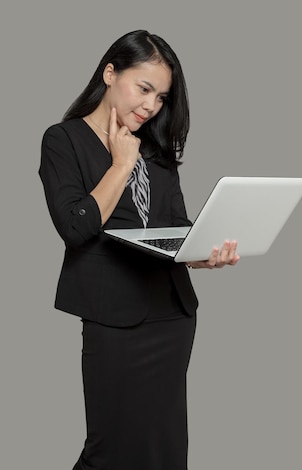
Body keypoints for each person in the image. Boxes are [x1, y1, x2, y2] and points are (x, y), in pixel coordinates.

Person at [39, 30, 239, 470]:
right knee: (110, 452)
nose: (151, 106)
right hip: (114, 317)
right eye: (144, 89)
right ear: (110, 73)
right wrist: (122, 163)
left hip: (172, 314)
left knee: (163, 450)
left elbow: (174, 224)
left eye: (161, 97)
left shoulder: (155, 147)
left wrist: (203, 252)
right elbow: (76, 226)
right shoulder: (63, 140)